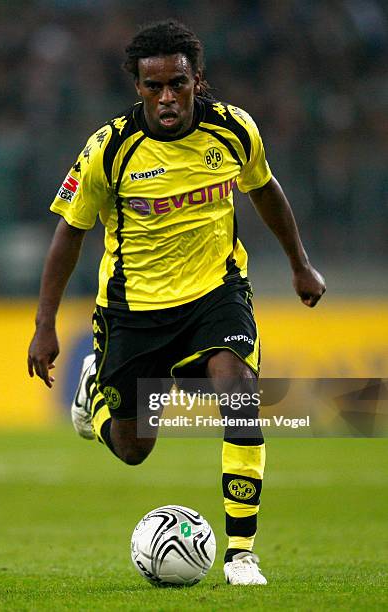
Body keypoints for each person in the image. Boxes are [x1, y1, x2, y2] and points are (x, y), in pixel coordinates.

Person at [28, 20, 325, 585]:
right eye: (153, 86)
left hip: (217, 292)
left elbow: (264, 188)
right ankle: (96, 395)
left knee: (239, 393)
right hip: (133, 310)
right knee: (135, 447)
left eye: (178, 84)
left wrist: (299, 263)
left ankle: (241, 555)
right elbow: (69, 232)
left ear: (198, 80)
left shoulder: (233, 131)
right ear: (137, 87)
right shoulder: (109, 150)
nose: (167, 98)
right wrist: (45, 325)